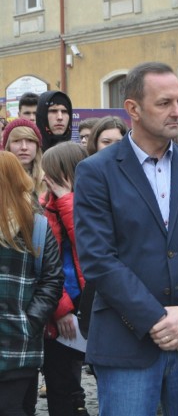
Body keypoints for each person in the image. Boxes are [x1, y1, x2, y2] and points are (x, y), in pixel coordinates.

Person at [74, 61, 178, 416]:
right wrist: (158, 320)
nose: (177, 111)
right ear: (132, 108)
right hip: (126, 343)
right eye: (165, 103)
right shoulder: (96, 172)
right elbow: (98, 259)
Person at [0, 151, 63, 416]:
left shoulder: (35, 226)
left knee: (12, 408)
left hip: (17, 343)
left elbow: (52, 280)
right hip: (21, 338)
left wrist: (29, 323)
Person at [40, 142, 90, 416]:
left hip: (91, 302)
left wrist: (67, 200)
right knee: (61, 385)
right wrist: (59, 309)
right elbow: (42, 265)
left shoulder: (91, 203)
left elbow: (88, 247)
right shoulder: (42, 210)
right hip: (57, 308)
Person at [2, 118, 46, 198]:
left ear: (37, 146)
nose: (24, 147)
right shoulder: (2, 180)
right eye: (17, 141)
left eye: (30, 140)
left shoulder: (50, 179)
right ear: (8, 146)